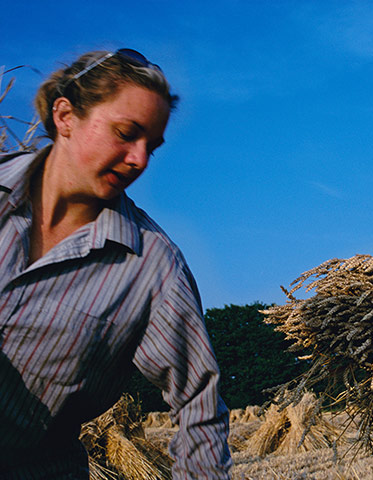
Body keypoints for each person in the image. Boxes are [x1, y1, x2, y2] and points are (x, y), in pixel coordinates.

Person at [0, 49, 231, 478]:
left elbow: (200, 404)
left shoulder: (151, 267)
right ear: (65, 116)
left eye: (152, 147)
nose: (140, 159)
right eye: (126, 133)